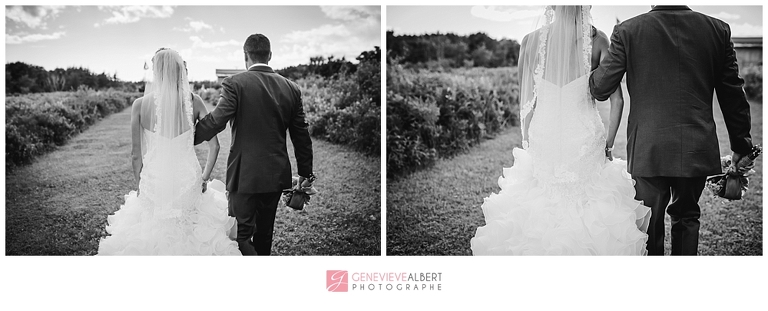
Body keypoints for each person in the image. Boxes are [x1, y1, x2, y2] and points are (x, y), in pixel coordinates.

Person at [470, 5, 650, 255]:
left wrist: (528, 136)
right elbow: (617, 100)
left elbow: (526, 102)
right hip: (585, 138)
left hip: (544, 135)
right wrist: (608, 143)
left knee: (540, 202)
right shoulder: (597, 40)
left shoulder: (530, 41)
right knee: (590, 205)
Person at [589, 5, 752, 255]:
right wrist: (741, 145)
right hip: (697, 145)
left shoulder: (627, 31)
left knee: (649, 223)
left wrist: (582, 63)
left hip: (648, 147)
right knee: (687, 217)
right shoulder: (717, 30)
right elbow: (733, 93)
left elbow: (600, 88)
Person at [98, 48, 240, 255]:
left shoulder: (139, 105)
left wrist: (141, 184)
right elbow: (215, 146)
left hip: (154, 181)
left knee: (150, 235)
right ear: (179, 72)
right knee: (193, 232)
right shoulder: (194, 101)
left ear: (157, 73)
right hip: (188, 180)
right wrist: (204, 178)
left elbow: (136, 155)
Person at [194, 34, 314, 256]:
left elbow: (217, 120)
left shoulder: (235, 83)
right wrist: (306, 174)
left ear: (245, 55)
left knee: (240, 234)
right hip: (276, 175)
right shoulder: (292, 88)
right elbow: (301, 135)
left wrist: (187, 138)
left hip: (244, 175)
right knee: (265, 233)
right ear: (269, 55)